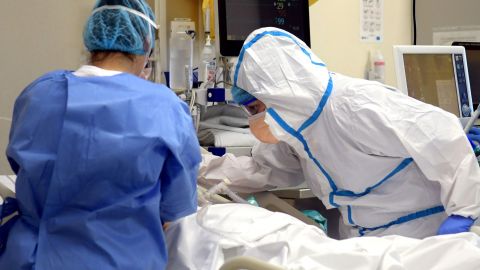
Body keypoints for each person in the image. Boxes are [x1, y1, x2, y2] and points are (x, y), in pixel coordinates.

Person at [200, 27, 480, 239]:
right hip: (368, 243)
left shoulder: (355, 105)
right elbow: (267, 171)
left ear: (279, 94)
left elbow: (443, 135)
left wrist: (463, 214)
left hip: (424, 235)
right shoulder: (296, 127)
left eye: (255, 107)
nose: (255, 118)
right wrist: (196, 166)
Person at [0, 0, 201, 269]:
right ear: (145, 42)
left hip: (29, 258)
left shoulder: (38, 94)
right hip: (120, 260)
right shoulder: (164, 106)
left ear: (92, 37)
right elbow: (178, 215)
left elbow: (22, 168)